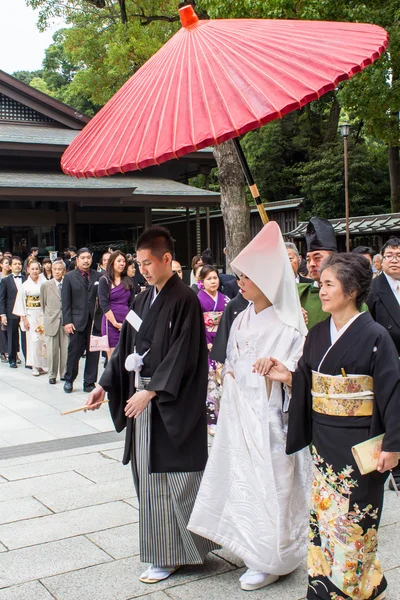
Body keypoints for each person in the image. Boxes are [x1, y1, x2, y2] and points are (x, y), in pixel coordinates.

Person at [85, 226, 218, 584]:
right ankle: (166, 551)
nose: (142, 269)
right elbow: (126, 344)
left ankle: (175, 553)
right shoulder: (142, 300)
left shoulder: (185, 298)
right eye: (138, 263)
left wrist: (153, 390)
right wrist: (104, 384)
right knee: (149, 475)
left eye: (147, 262)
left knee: (173, 479)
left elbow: (185, 355)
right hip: (143, 399)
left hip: (168, 402)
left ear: (166, 259)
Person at [267, 253, 400, 600]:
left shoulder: (376, 336)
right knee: (325, 519)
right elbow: (307, 378)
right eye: (321, 284)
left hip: (361, 444)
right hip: (325, 441)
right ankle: (331, 587)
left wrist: (393, 445)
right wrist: (287, 375)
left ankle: (353, 588)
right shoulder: (316, 334)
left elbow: (392, 392)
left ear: (352, 290)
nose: (321, 291)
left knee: (356, 520)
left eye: (329, 284)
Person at [188, 221, 310, 591]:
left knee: (274, 484)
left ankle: (273, 556)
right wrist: (231, 375)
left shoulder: (290, 324)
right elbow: (231, 359)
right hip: (240, 413)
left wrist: (279, 371)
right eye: (240, 276)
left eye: (248, 277)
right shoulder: (240, 316)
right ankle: (251, 546)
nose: (239, 282)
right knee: (241, 479)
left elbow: (298, 373)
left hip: (271, 418)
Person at [367, 237, 400, 490]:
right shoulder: (373, 289)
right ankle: (396, 470)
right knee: (392, 413)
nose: (395, 259)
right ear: (381, 260)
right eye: (389, 255)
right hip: (389, 362)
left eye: (399, 255)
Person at [61, 248, 102, 393]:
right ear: (77, 259)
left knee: (93, 353)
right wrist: (67, 321)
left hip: (95, 321)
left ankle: (89, 382)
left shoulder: (99, 276)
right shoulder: (69, 277)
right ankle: (69, 379)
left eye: (88, 258)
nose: (86, 260)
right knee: (74, 352)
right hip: (76, 322)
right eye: (83, 258)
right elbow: (65, 302)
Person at [197, 265, 229, 435]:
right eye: (209, 278)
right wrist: (207, 342)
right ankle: (211, 420)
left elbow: (228, 323)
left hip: (222, 342)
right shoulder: (198, 299)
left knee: (224, 380)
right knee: (211, 382)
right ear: (202, 281)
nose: (213, 281)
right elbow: (197, 324)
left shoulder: (225, 299)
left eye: (215, 277)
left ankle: (224, 418)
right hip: (207, 344)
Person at [297, 217, 337, 330]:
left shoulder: (349, 296)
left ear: (334, 258)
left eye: (317, 258)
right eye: (308, 259)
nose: (312, 264)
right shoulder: (298, 293)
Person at [13, 259, 47, 376]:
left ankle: (41, 364)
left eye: (37, 269)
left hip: (42, 314)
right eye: (32, 269)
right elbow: (20, 303)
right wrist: (24, 319)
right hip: (31, 314)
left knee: (43, 340)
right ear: (27, 270)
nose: (35, 271)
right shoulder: (25, 285)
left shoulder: (44, 282)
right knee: (33, 340)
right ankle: (34, 366)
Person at [98, 250, 135, 360]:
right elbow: (104, 305)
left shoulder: (129, 280)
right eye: (119, 261)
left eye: (124, 261)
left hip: (127, 322)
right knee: (113, 359)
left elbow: (132, 304)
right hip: (110, 323)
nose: (122, 263)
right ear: (112, 262)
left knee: (127, 358)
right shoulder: (104, 280)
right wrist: (115, 323)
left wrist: (127, 323)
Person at [40, 259, 69, 384]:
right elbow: (43, 303)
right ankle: (52, 374)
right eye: (55, 269)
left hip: (65, 320)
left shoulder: (68, 283)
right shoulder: (46, 285)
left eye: (60, 269)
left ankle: (64, 373)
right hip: (51, 320)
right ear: (51, 270)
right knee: (52, 350)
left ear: (64, 271)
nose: (57, 272)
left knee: (66, 348)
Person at [0, 256, 26, 368]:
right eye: (15, 264)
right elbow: (2, 299)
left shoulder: (26, 279)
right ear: (10, 266)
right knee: (12, 336)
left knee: (26, 337)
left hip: (25, 313)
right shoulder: (5, 281)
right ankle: (12, 358)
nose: (17, 266)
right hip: (11, 312)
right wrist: (2, 314)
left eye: (19, 264)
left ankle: (29, 360)